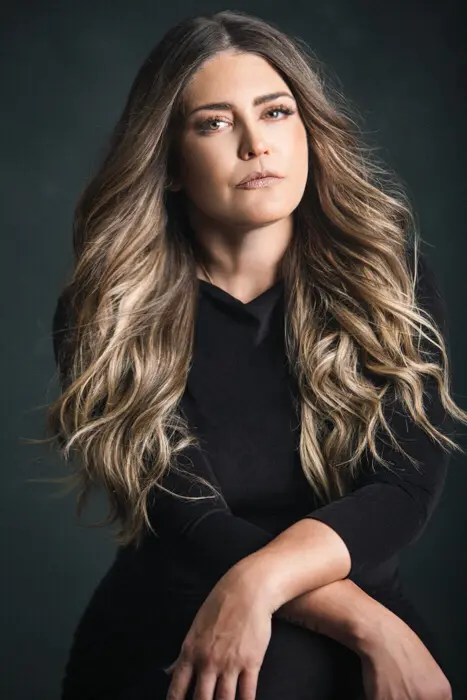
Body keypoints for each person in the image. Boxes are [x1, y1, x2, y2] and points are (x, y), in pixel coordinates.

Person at [46, 10, 465, 700]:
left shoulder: (392, 281)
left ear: (306, 131)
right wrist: (369, 626)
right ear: (172, 163)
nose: (254, 145)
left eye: (274, 113)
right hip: (175, 617)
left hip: (346, 612)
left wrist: (259, 580)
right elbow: (184, 518)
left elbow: (402, 491)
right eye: (213, 123)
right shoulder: (109, 309)